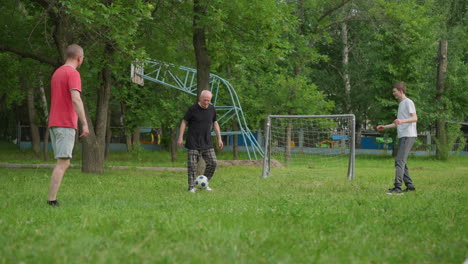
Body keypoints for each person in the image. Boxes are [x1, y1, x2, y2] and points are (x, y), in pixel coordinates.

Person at [47, 44, 89, 206]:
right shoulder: (73, 73)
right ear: (79, 58)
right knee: (63, 162)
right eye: (82, 58)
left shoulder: (57, 72)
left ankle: (52, 199)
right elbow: (75, 99)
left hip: (54, 122)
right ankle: (52, 200)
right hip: (65, 123)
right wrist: (84, 123)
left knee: (63, 161)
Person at [177, 90, 224, 193]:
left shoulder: (212, 109)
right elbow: (184, 122)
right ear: (200, 98)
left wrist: (219, 138)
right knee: (192, 166)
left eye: (209, 100)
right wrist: (180, 137)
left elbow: (215, 123)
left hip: (207, 142)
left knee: (213, 162)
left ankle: (204, 183)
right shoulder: (192, 109)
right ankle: (191, 187)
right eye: (205, 100)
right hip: (193, 142)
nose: (206, 102)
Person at [377, 81, 417, 195]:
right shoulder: (401, 104)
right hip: (403, 135)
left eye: (394, 91)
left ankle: (398, 188)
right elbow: (398, 123)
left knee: (399, 161)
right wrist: (384, 127)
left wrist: (402, 121)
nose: (393, 93)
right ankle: (410, 186)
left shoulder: (408, 102)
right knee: (401, 161)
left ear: (401, 91)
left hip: (408, 135)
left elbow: (414, 118)